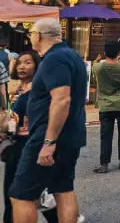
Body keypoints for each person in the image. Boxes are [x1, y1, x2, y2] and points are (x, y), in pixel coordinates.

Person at [9, 18, 87, 223]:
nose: (30, 37)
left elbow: (62, 99)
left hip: (48, 136)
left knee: (21, 195)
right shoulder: (72, 55)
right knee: (63, 188)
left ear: (38, 36)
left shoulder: (54, 59)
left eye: (31, 34)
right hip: (71, 135)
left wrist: (48, 142)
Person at [2, 51, 59, 223]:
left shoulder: (38, 91)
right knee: (18, 193)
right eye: (19, 62)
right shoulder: (20, 89)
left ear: (37, 66)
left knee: (22, 193)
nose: (22, 66)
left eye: (28, 62)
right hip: (16, 144)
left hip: (30, 145)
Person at [92, 39, 120, 174]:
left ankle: (104, 164)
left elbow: (94, 68)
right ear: (119, 53)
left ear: (105, 52)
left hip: (105, 106)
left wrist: (97, 59)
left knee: (105, 135)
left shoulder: (98, 67)